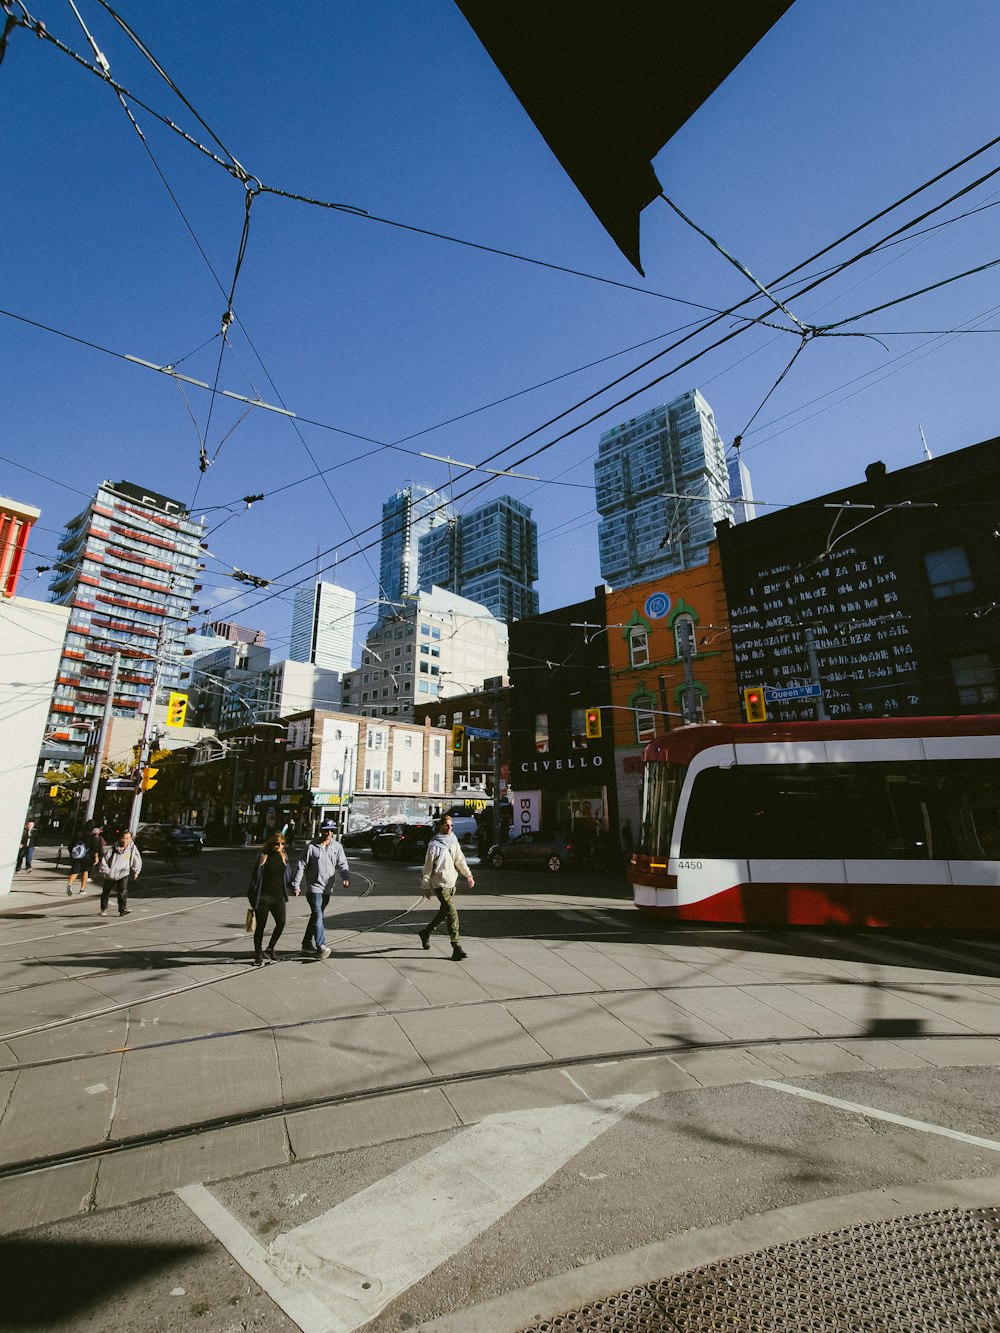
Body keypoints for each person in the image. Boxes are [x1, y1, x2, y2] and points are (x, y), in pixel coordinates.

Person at [418, 814, 475, 961]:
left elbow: (460, 860)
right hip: (440, 884)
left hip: (451, 883)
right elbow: (427, 868)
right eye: (447, 825)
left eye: (451, 826)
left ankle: (426, 932)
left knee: (444, 912)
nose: (450, 828)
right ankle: (456, 947)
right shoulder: (434, 845)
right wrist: (426, 886)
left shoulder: (454, 841)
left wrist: (468, 875)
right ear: (440, 826)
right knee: (452, 913)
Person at [292, 818, 350, 960]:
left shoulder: (337, 847)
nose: (329, 833)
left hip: (327, 888)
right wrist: (296, 884)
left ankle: (306, 943)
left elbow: (342, 864)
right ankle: (321, 945)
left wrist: (345, 876)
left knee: (316, 916)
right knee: (318, 915)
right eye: (326, 830)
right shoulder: (311, 847)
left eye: (331, 830)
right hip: (314, 887)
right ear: (320, 830)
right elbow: (301, 865)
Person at [247, 832, 295, 967]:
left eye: (282, 844)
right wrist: (252, 897)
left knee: (281, 922)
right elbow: (255, 879)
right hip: (263, 897)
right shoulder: (263, 857)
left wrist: (293, 887)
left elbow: (288, 875)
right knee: (260, 927)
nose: (279, 846)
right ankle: (258, 954)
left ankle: (270, 948)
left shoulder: (284, 856)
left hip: (278, 896)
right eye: (277, 844)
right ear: (271, 843)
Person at [98, 828, 142, 917]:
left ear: (130, 839)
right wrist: (107, 871)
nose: (125, 840)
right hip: (110, 874)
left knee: (122, 892)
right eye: (123, 838)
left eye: (127, 839)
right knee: (106, 892)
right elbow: (104, 860)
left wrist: (136, 871)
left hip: (123, 873)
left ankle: (122, 909)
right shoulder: (113, 848)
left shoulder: (132, 848)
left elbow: (136, 859)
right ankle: (103, 908)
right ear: (120, 838)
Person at [66, 821, 102, 895]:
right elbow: (95, 847)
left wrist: (71, 854)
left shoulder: (77, 834)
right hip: (87, 856)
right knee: (85, 871)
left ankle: (69, 884)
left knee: (75, 871)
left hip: (76, 855)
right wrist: (96, 857)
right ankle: (82, 889)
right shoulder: (92, 836)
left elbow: (70, 845)